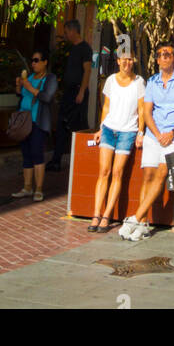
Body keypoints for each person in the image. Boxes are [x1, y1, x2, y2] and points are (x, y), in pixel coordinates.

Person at [119, 42, 174, 241]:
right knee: (147, 176)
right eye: (161, 54)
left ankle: (135, 218)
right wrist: (154, 132)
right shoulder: (152, 81)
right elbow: (146, 111)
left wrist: (172, 132)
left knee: (162, 173)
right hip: (154, 134)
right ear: (156, 59)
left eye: (168, 54)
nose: (164, 57)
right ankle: (143, 223)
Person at [89, 48, 145, 232]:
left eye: (130, 59)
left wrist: (140, 131)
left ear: (133, 61)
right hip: (109, 129)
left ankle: (107, 215)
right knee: (104, 171)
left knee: (117, 172)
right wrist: (101, 126)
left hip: (127, 131)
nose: (127, 63)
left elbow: (142, 109)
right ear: (118, 61)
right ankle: (96, 214)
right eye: (124, 59)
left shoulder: (139, 82)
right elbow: (106, 106)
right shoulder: (111, 81)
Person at [46, 19, 93, 171]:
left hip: (77, 92)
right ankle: (57, 160)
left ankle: (85, 159)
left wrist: (81, 92)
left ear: (73, 31)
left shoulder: (84, 48)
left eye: (66, 32)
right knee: (62, 124)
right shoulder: (72, 49)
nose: (65, 35)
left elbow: (87, 71)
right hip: (69, 92)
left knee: (79, 126)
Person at [11, 52, 58, 201]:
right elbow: (21, 95)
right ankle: (27, 187)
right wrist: (19, 86)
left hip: (38, 122)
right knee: (26, 154)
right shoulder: (29, 77)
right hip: (24, 122)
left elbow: (47, 97)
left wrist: (29, 87)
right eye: (32, 61)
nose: (33, 63)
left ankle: (38, 189)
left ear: (45, 62)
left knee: (37, 153)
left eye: (37, 60)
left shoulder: (50, 78)